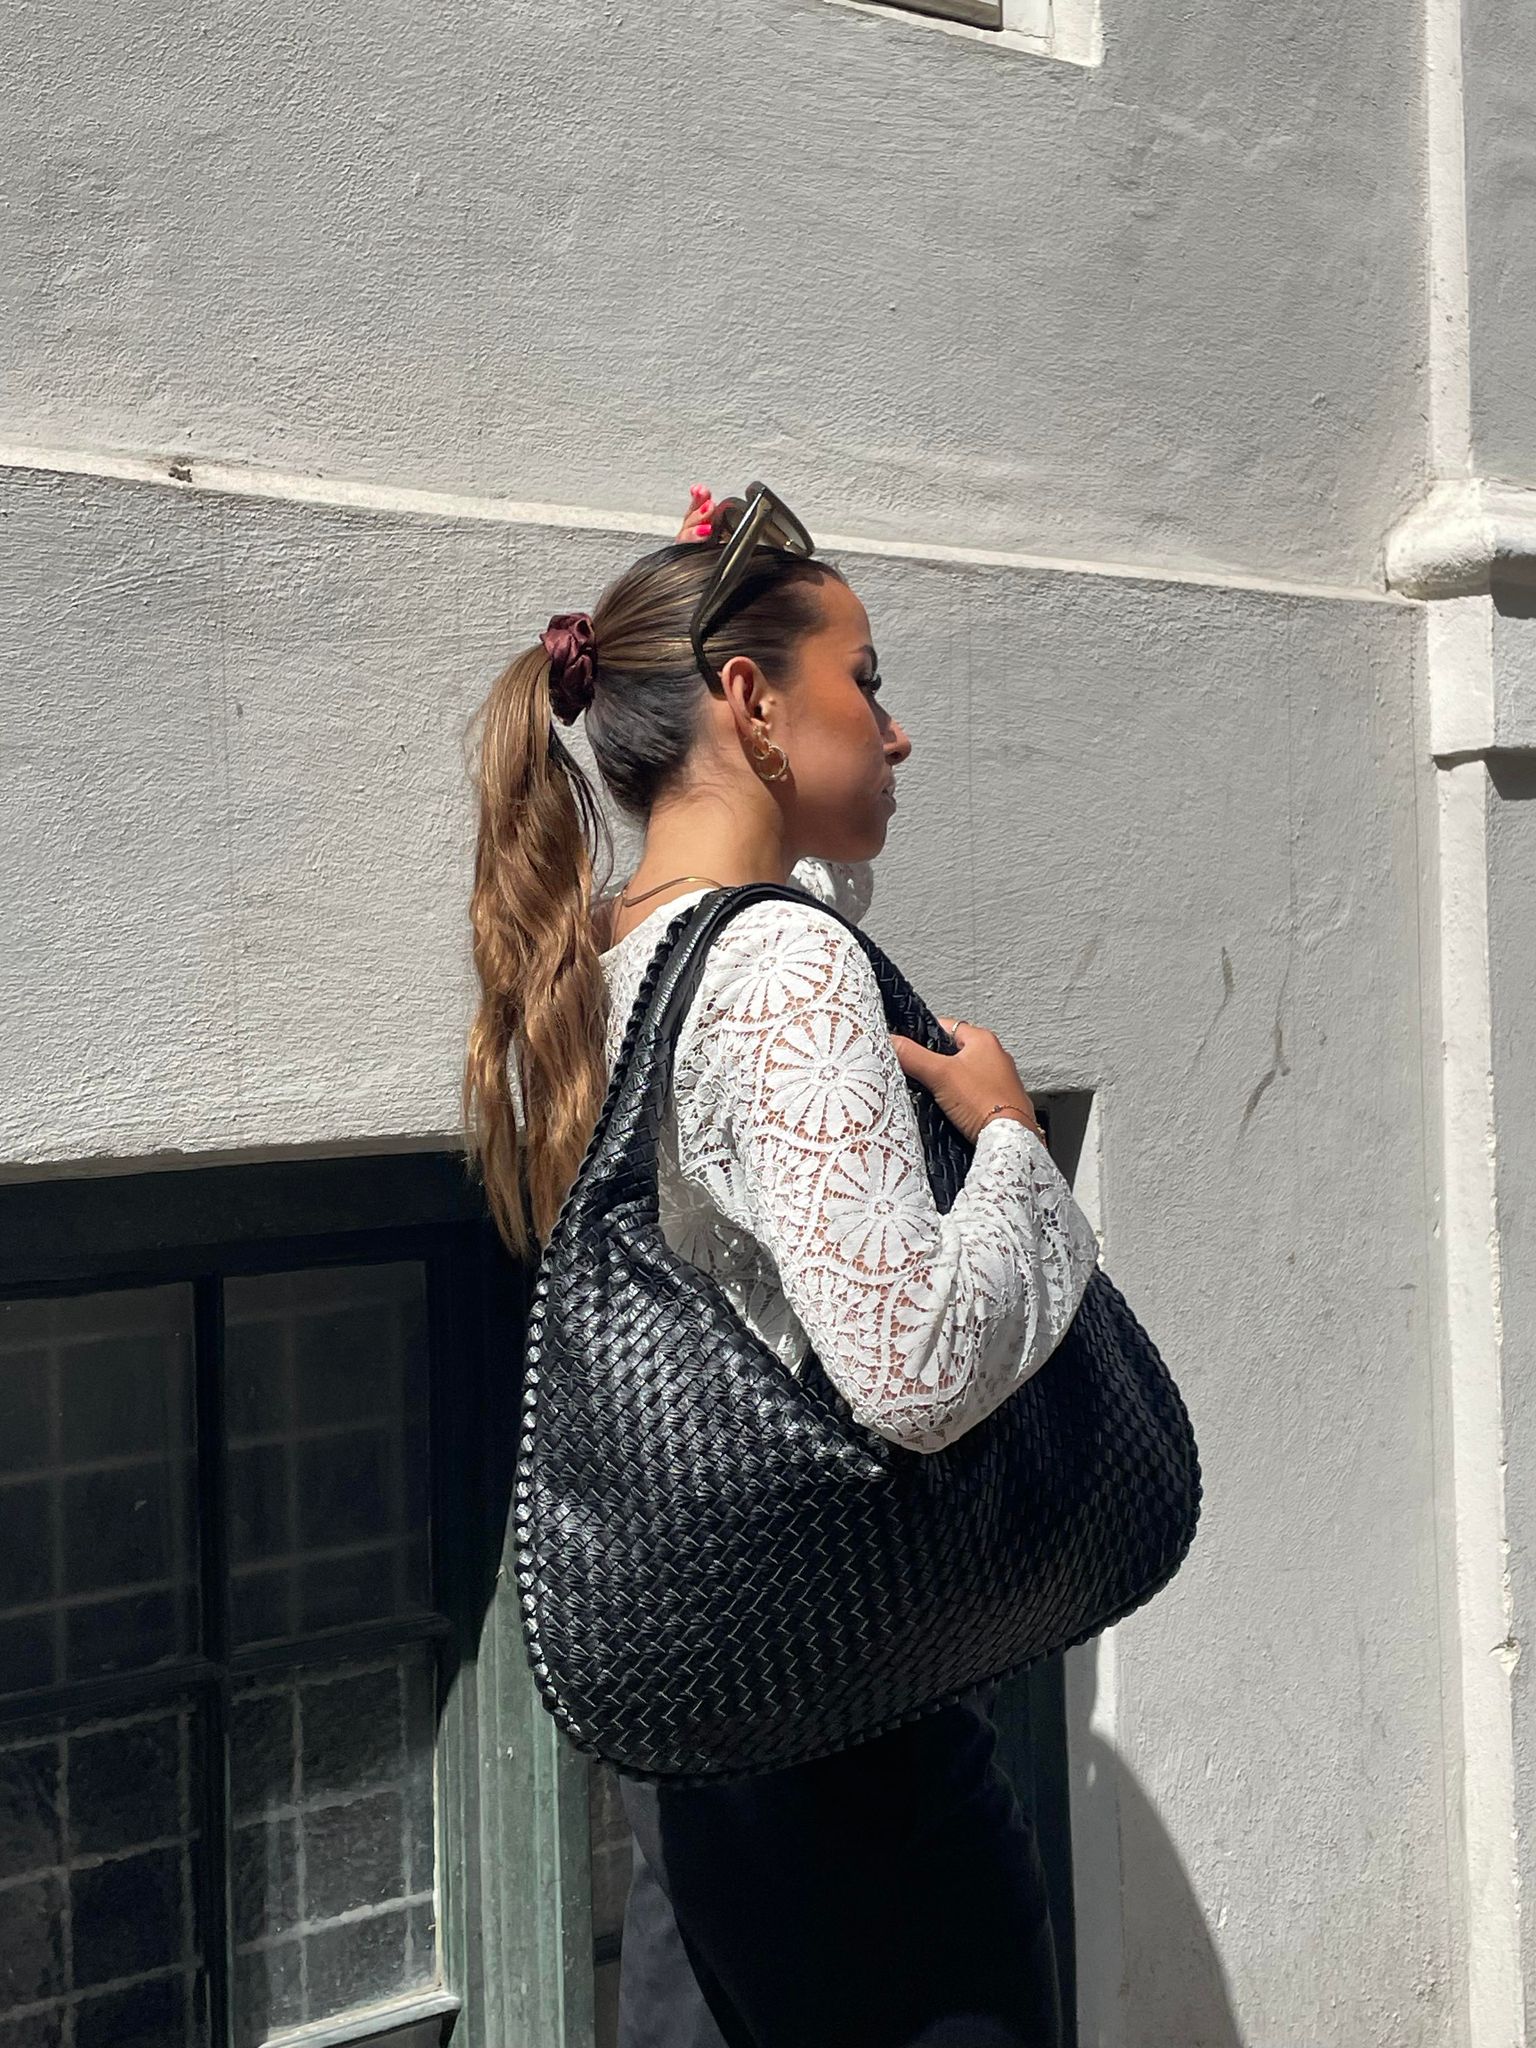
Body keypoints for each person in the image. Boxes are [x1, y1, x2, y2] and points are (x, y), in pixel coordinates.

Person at [462, 481, 1101, 2047]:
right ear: (749, 701)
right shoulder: (779, 961)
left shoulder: (602, 956)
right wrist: (1013, 1142)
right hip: (853, 1740)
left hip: (702, 1749)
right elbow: (915, 1367)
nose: (896, 731)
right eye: (864, 681)